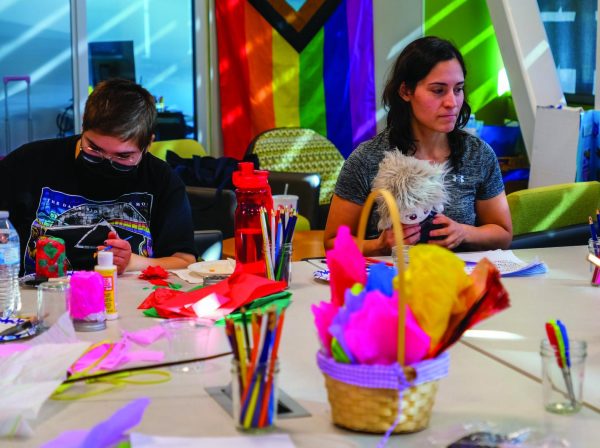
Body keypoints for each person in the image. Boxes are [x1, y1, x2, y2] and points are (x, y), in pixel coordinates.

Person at [324, 36, 512, 255]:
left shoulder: (478, 155)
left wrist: (464, 232)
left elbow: (503, 233)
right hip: (392, 283)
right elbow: (332, 241)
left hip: (458, 281)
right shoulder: (367, 158)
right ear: (405, 91)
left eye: (458, 89)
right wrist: (378, 245)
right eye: (438, 90)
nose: (452, 102)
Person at [0, 78, 196, 275]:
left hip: (130, 301)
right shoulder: (29, 163)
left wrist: (132, 262)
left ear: (148, 144)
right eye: (94, 149)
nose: (106, 162)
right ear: (83, 123)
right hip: (42, 300)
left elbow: (184, 261)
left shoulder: (161, 179)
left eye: (123, 156)